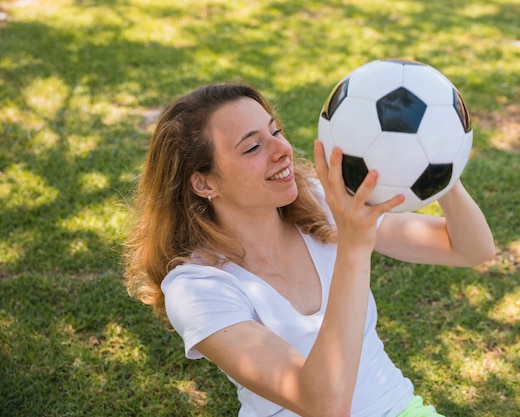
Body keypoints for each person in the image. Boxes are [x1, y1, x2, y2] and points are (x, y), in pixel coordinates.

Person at [123, 82, 496, 417]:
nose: (282, 150)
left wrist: (438, 165)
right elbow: (324, 406)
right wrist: (353, 248)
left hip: (398, 407)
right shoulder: (196, 288)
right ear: (203, 183)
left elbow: (471, 249)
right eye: (253, 146)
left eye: (276, 131)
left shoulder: (319, 202)